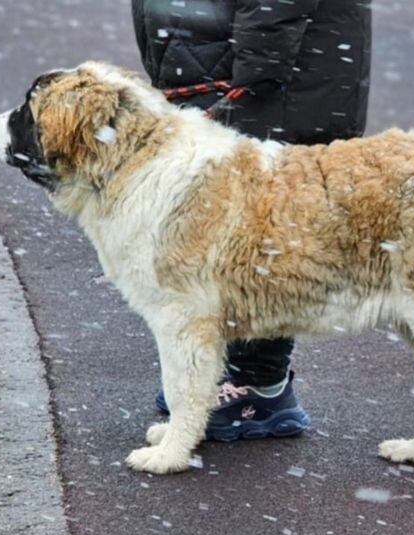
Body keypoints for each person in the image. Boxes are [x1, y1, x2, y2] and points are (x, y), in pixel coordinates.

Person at [131, 0, 371, 441]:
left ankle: (258, 385)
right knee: (233, 240)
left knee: (263, 240)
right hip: (227, 61)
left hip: (269, 81)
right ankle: (223, 376)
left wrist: (255, 69)